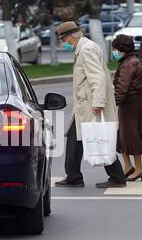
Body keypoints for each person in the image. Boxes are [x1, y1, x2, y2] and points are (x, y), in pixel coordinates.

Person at [54, 21, 126, 189]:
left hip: (90, 105)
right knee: (75, 139)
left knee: (99, 139)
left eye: (64, 39)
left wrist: (98, 102)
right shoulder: (84, 48)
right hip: (84, 105)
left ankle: (116, 176)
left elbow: (97, 77)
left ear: (72, 36)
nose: (64, 43)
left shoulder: (86, 49)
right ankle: (73, 176)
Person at [112, 34, 142, 182]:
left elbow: (122, 87)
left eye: (115, 49)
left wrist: (114, 102)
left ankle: (139, 169)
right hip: (132, 103)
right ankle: (128, 167)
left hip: (130, 105)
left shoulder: (129, 65)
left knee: (132, 137)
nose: (114, 52)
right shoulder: (131, 62)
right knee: (122, 137)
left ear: (121, 50)